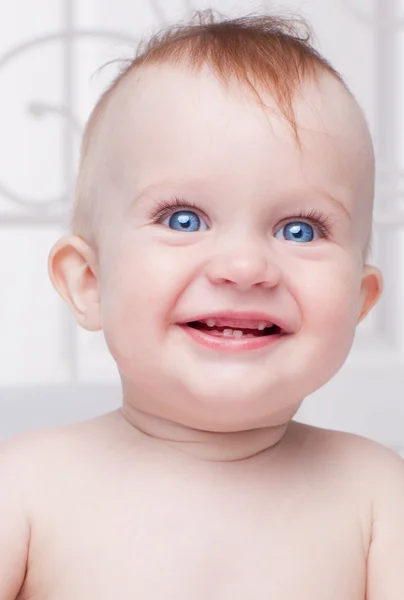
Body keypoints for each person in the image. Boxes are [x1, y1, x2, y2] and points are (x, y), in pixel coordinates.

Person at [1, 10, 403, 599]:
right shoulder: (23, 487)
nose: (244, 268)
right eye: (182, 219)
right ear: (89, 282)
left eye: (299, 230)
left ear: (359, 301)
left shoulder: (378, 496)